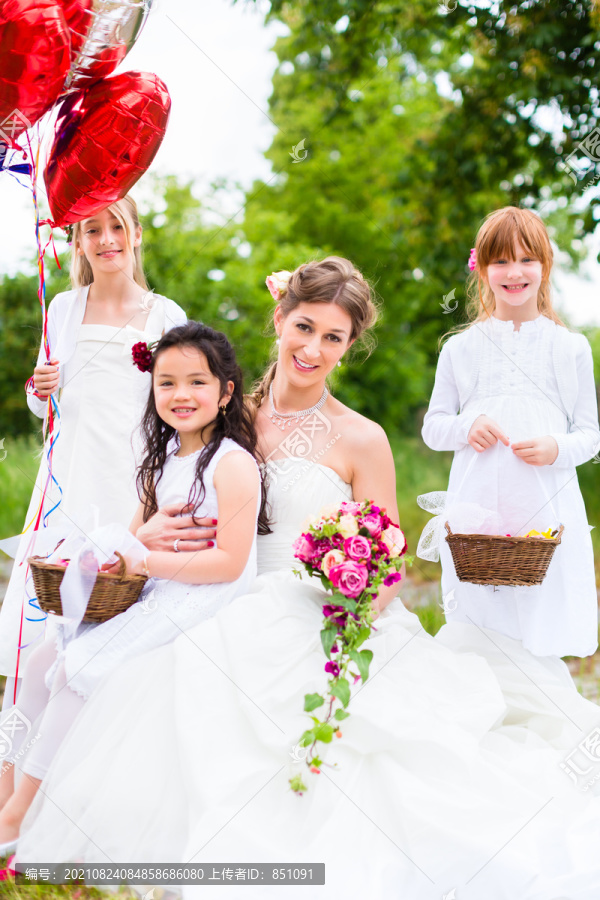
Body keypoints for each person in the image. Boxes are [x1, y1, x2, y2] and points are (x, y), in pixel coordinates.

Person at [14, 258, 600, 898]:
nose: (313, 349)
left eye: (333, 337)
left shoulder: (362, 438)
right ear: (279, 319)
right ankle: (29, 806)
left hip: (321, 606)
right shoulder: (222, 410)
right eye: (304, 327)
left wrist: (357, 610)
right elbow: (162, 485)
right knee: (121, 668)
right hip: (210, 590)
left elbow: (390, 558)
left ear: (350, 347)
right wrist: (142, 536)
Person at [0, 322, 263, 853]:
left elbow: (230, 563)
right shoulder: (163, 457)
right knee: (41, 658)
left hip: (201, 598)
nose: (181, 395)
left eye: (197, 382)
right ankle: (5, 792)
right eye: (166, 383)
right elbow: (131, 542)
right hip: (154, 588)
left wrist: (146, 558)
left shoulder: (233, 464)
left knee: (79, 668)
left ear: (226, 390)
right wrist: (133, 549)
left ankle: (19, 818)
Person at [0, 196, 188, 706]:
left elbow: (182, 402)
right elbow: (43, 406)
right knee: (60, 594)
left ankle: (114, 713)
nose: (107, 240)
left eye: (117, 227)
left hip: (134, 477)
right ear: (79, 243)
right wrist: (39, 390)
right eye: (92, 230)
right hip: (72, 472)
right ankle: (43, 711)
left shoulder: (165, 314)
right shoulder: (63, 309)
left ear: (137, 234)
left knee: (125, 591)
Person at [421, 206, 599, 658]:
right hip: (477, 513)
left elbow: (590, 435)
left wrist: (556, 446)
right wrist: (466, 426)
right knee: (481, 624)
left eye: (526, 260)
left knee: (539, 620)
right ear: (481, 268)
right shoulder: (460, 348)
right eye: (500, 261)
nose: (514, 272)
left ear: (545, 266)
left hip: (545, 511)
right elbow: (433, 428)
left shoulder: (569, 347)